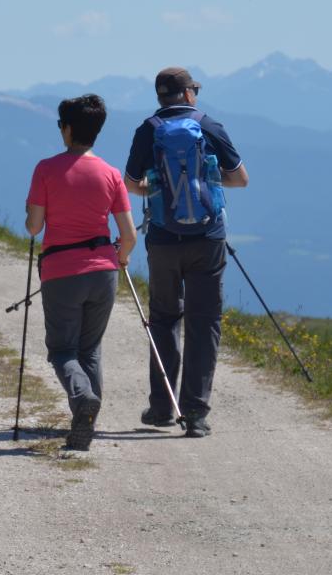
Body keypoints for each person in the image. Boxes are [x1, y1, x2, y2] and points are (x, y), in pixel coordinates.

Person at [122, 67, 248, 438]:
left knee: (163, 318)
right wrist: (206, 180)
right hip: (208, 237)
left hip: (163, 238)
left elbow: (131, 183)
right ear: (189, 93)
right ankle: (195, 414)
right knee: (203, 322)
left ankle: (162, 408)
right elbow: (240, 179)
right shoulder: (209, 126)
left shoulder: (147, 129)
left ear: (161, 97)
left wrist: (157, 191)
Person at [26, 94, 137, 451]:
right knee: (89, 349)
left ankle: (83, 401)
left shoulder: (46, 168)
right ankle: (86, 419)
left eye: (61, 125)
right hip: (104, 269)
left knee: (62, 351)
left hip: (61, 269)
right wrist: (122, 256)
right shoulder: (111, 173)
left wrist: (31, 211)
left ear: (68, 129)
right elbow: (130, 235)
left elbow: (34, 226)